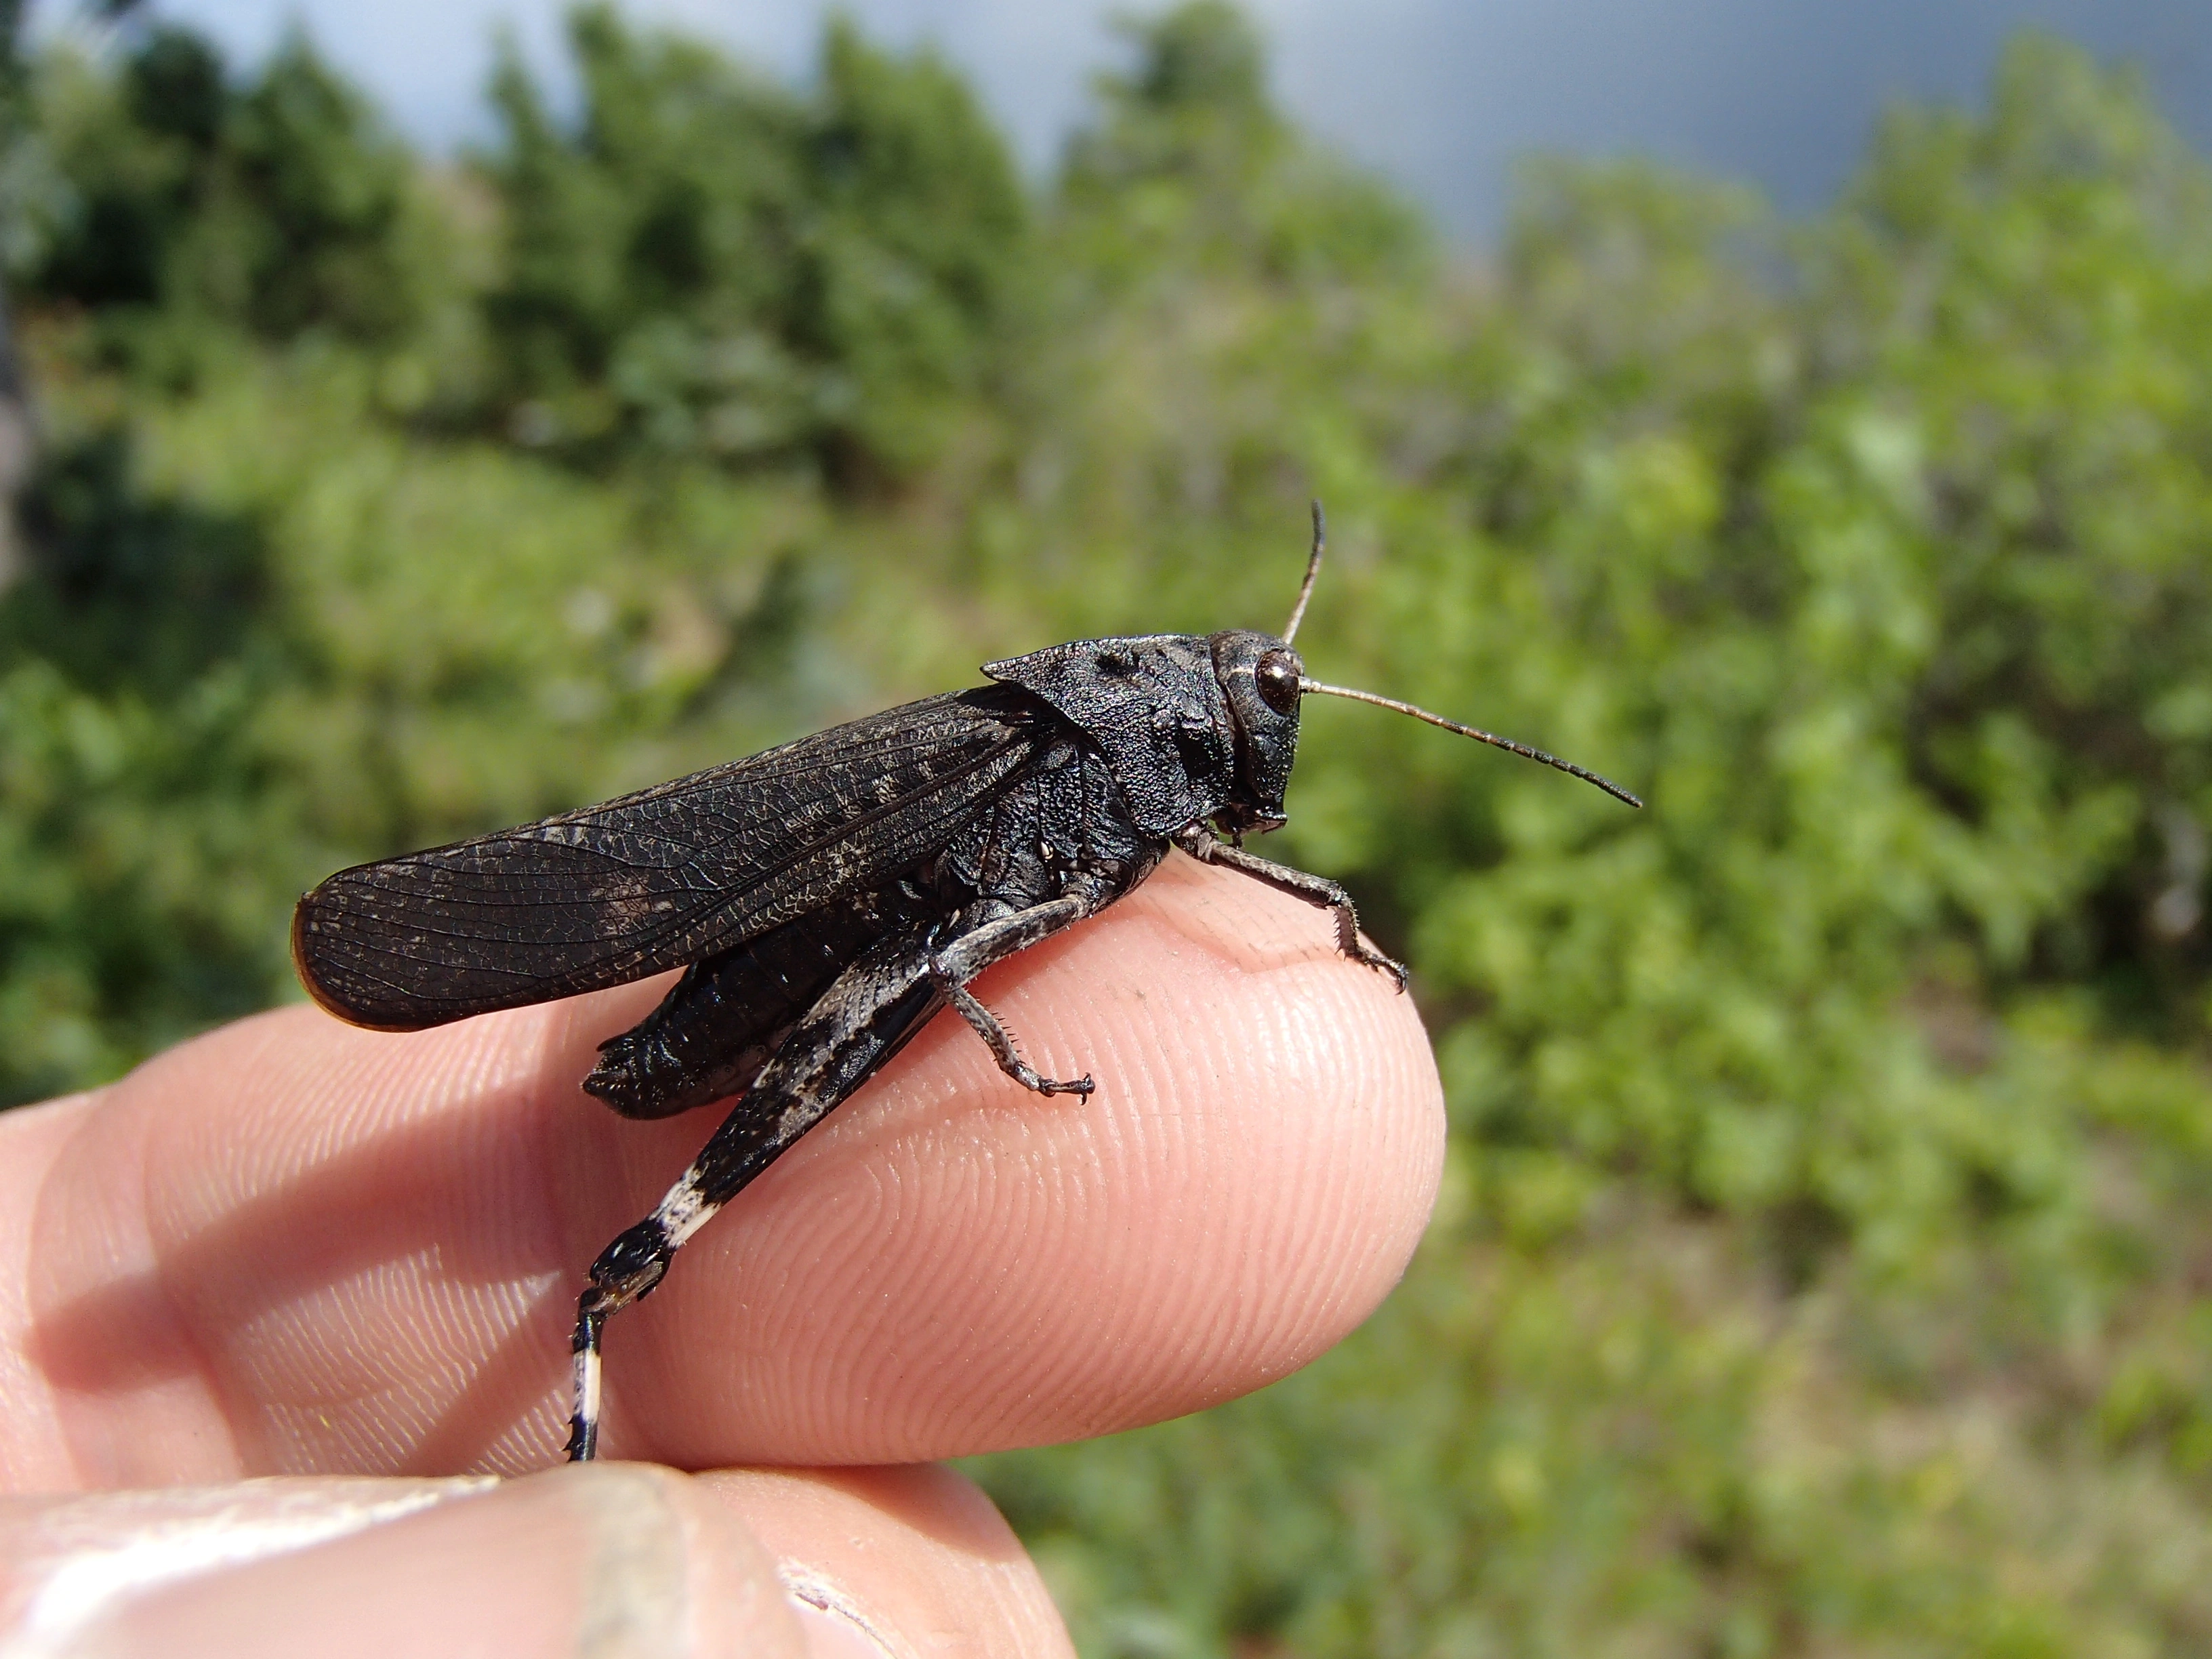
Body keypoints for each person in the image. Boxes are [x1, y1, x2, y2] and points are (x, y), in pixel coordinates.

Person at [0, 854, 1443, 1656]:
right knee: (904, 1005)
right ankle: (598, 1327)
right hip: (778, 989)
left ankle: (605, 1309)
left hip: (874, 952)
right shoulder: (1092, 766)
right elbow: (953, 955)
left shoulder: (1143, 793)